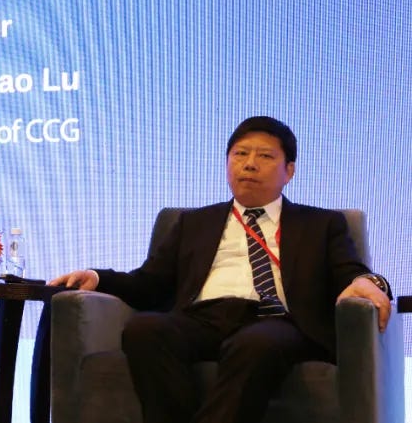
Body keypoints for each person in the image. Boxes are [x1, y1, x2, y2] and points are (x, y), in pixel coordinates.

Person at [49, 116, 393, 423]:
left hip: (276, 320)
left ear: (289, 171)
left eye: (265, 156)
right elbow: (149, 283)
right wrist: (99, 278)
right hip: (202, 318)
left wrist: (369, 282)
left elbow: (351, 272)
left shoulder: (321, 223)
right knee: (145, 328)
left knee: (256, 343)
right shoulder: (194, 222)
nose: (249, 164)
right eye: (240, 154)